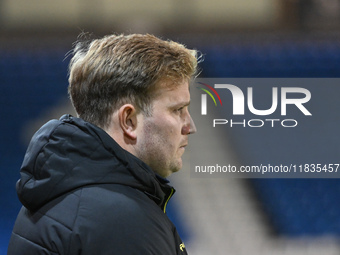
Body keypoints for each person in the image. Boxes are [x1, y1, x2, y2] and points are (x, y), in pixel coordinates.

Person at [8, 33, 199, 254]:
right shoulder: (124, 223)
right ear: (129, 120)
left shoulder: (53, 191)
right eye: (177, 110)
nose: (189, 126)